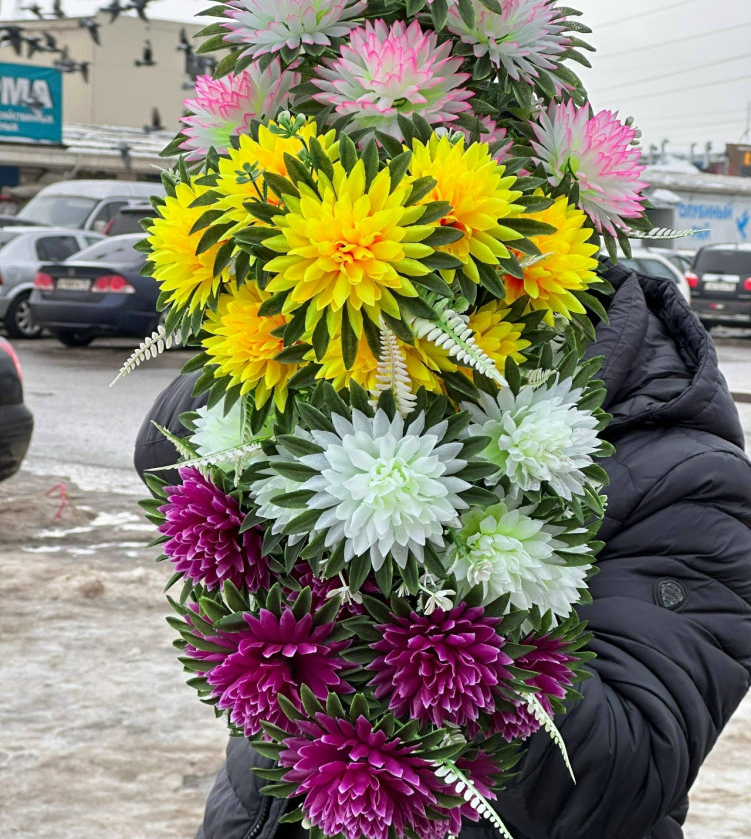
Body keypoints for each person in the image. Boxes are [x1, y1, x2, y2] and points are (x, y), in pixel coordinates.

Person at [135, 263, 751, 839]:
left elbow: (616, 777)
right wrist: (284, 342)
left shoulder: (690, 475)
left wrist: (398, 580)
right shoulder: (347, 355)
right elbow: (161, 451)